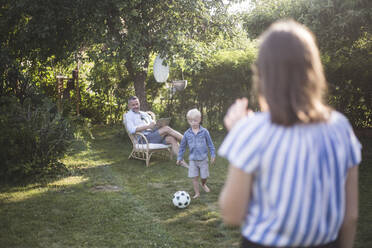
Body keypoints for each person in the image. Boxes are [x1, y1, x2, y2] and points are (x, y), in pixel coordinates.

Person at [218, 20, 361, 248]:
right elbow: (350, 216)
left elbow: (232, 213)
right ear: (313, 70)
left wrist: (239, 134)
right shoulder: (341, 127)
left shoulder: (252, 130)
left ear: (264, 74)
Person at [177, 108, 216, 198]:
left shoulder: (204, 132)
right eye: (191, 121)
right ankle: (197, 193)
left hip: (203, 159)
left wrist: (213, 155)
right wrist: (179, 158)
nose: (193, 123)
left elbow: (210, 145)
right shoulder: (187, 134)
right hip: (193, 159)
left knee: (204, 176)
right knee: (194, 177)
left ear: (200, 119)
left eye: (195, 120)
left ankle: (203, 184)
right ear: (188, 121)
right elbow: (182, 147)